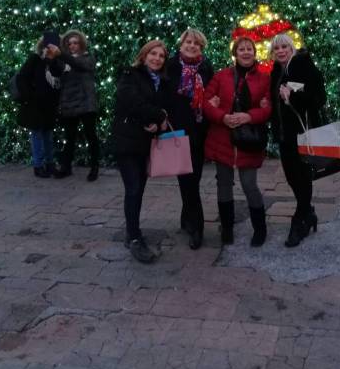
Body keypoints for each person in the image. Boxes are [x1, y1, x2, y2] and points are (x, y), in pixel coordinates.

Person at [203, 36, 271, 247]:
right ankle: (227, 228)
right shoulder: (221, 76)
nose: (245, 52)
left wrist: (249, 116)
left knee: (249, 185)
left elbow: (268, 108)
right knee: (224, 184)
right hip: (222, 138)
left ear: (254, 52)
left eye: (249, 49)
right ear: (235, 54)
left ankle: (260, 229)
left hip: (248, 141)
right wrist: (222, 116)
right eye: (241, 49)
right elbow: (205, 102)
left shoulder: (264, 79)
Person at [110, 40, 173, 263]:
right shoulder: (130, 74)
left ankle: (132, 231)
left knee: (139, 188)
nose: (156, 58)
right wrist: (158, 117)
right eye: (153, 54)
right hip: (127, 141)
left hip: (145, 143)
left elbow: (162, 107)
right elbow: (131, 103)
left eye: (161, 55)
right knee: (134, 188)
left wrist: (158, 120)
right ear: (144, 55)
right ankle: (134, 237)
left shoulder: (161, 81)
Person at [270, 33, 326, 247]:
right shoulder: (276, 71)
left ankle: (299, 220)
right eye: (276, 49)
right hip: (286, 136)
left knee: (303, 177)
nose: (281, 51)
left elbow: (319, 98)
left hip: (304, 133)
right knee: (292, 177)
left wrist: (292, 95)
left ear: (292, 47)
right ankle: (308, 212)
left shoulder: (304, 65)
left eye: (284, 46)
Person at [167, 28, 214, 250]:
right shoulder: (171, 66)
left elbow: (213, 93)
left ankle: (190, 221)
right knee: (185, 180)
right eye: (188, 42)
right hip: (176, 131)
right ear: (181, 44)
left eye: (197, 43)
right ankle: (197, 227)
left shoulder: (206, 67)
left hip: (198, 132)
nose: (192, 46)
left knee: (192, 180)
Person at [16, 30, 64, 178]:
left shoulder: (56, 61)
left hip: (50, 104)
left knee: (48, 135)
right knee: (37, 135)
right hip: (36, 104)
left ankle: (50, 164)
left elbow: (58, 76)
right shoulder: (35, 59)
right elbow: (22, 78)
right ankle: (38, 165)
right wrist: (29, 96)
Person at [55, 29, 100, 182]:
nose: (73, 46)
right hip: (69, 102)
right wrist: (50, 58)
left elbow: (79, 64)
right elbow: (56, 72)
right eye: (70, 43)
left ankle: (94, 168)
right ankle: (66, 167)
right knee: (69, 137)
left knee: (91, 136)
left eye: (75, 43)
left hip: (86, 102)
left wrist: (61, 55)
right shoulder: (64, 60)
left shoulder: (88, 58)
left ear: (81, 44)